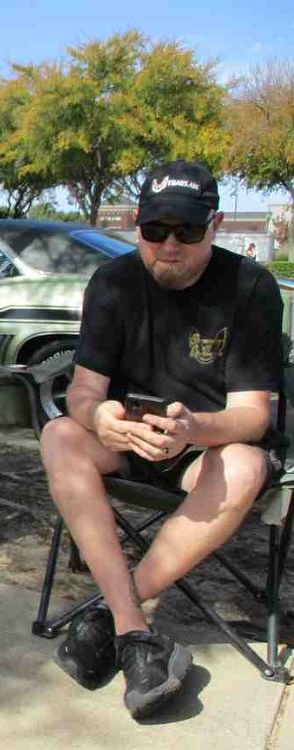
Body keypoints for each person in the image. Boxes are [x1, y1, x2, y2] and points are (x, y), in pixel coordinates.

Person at [39, 160, 283, 719]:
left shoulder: (251, 287)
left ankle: (108, 616)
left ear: (215, 225)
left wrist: (193, 429)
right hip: (126, 438)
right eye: (155, 230)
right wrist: (99, 415)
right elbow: (83, 391)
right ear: (138, 225)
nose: (169, 245)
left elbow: (252, 416)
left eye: (188, 231)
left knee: (245, 467)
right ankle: (132, 627)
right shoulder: (112, 283)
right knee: (59, 435)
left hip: (205, 445)